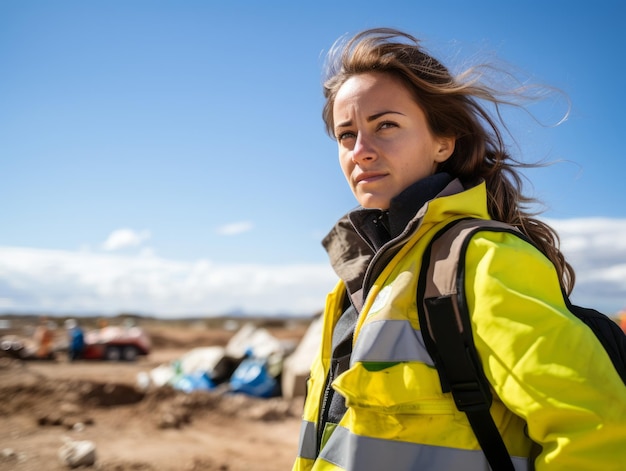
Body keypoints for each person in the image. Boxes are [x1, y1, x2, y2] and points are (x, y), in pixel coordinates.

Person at [292, 28, 626, 471]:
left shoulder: (486, 259)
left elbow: (598, 433)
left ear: (443, 142)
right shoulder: (351, 287)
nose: (361, 151)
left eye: (385, 125)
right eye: (346, 134)